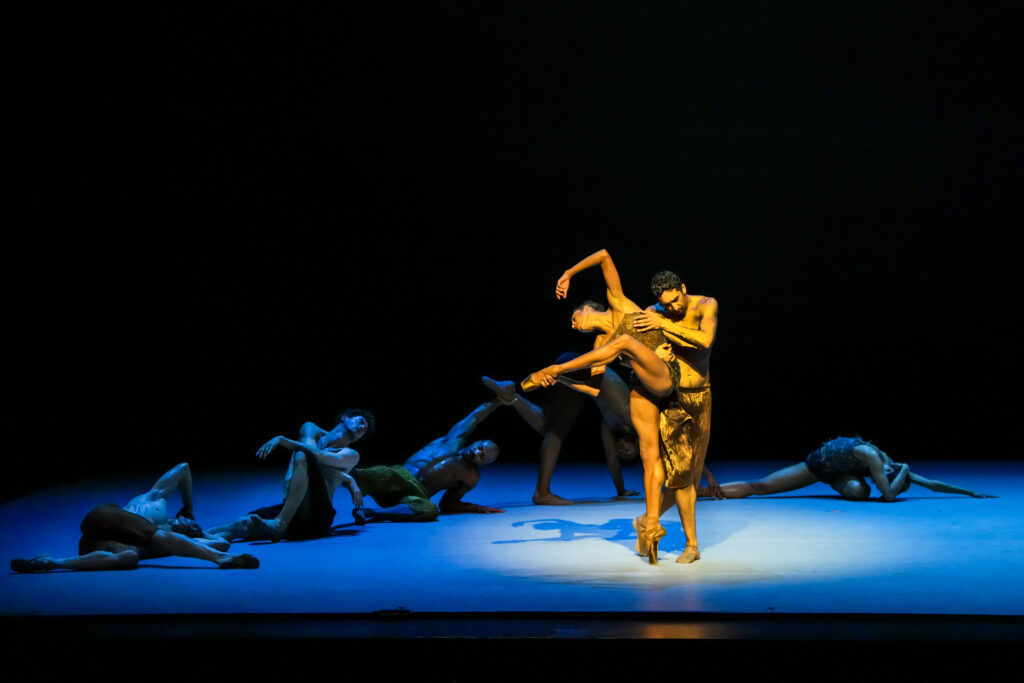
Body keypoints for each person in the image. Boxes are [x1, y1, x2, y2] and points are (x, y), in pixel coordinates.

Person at [522, 248, 686, 564]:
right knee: (650, 456)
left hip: (666, 376)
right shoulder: (600, 347)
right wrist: (564, 382)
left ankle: (555, 368)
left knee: (622, 343)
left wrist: (568, 273)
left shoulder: (618, 303)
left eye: (574, 318)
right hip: (644, 389)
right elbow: (594, 390)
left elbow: (604, 256)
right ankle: (651, 526)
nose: (574, 326)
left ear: (587, 309)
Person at [10, 462, 259, 572]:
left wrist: (202, 532)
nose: (190, 524)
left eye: (191, 527)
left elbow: (219, 541)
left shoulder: (170, 541)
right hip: (104, 518)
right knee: (157, 535)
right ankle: (221, 561)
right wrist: (189, 509)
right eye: (190, 523)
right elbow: (183, 468)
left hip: (96, 546)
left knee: (128, 558)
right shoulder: (153, 504)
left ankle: (51, 563)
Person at [629, 268, 718, 564]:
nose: (673, 308)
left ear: (683, 287)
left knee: (692, 475)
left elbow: (705, 341)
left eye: (676, 301)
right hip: (674, 400)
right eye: (666, 305)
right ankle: (692, 545)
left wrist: (663, 325)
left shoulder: (706, 304)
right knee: (681, 478)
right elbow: (632, 352)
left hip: (702, 397)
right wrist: (656, 353)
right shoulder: (652, 312)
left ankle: (645, 518)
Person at [482, 362, 640, 505]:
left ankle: (511, 396)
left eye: (623, 454)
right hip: (580, 368)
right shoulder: (634, 417)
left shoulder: (609, 426)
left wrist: (621, 491)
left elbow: (612, 457)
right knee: (555, 433)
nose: (622, 450)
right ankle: (542, 493)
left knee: (548, 426)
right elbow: (654, 451)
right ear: (638, 444)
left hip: (575, 372)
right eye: (628, 451)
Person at [208, 408, 374, 542]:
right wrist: (346, 477)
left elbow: (316, 456)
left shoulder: (351, 454)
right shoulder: (311, 429)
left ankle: (280, 524)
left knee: (302, 455)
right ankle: (197, 536)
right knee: (246, 522)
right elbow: (311, 452)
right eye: (360, 422)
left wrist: (282, 440)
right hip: (295, 509)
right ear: (345, 418)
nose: (362, 428)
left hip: (317, 517)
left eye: (364, 430)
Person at [697, 436, 997, 501]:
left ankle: (841, 484)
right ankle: (698, 492)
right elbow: (889, 497)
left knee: (858, 492)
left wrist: (969, 491)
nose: (886, 485)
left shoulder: (892, 467)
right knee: (759, 487)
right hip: (816, 465)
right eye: (893, 480)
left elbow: (930, 484)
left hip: (842, 475)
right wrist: (904, 469)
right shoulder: (879, 462)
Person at [351, 400, 506, 523]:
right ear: (476, 442)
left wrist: (477, 508)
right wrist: (498, 401)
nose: (477, 452)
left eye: (482, 456)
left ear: (483, 464)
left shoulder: (470, 476)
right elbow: (475, 417)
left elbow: (447, 504)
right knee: (380, 472)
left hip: (415, 495)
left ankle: (370, 513)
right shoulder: (453, 439)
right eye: (479, 447)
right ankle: (331, 484)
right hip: (397, 477)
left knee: (430, 510)